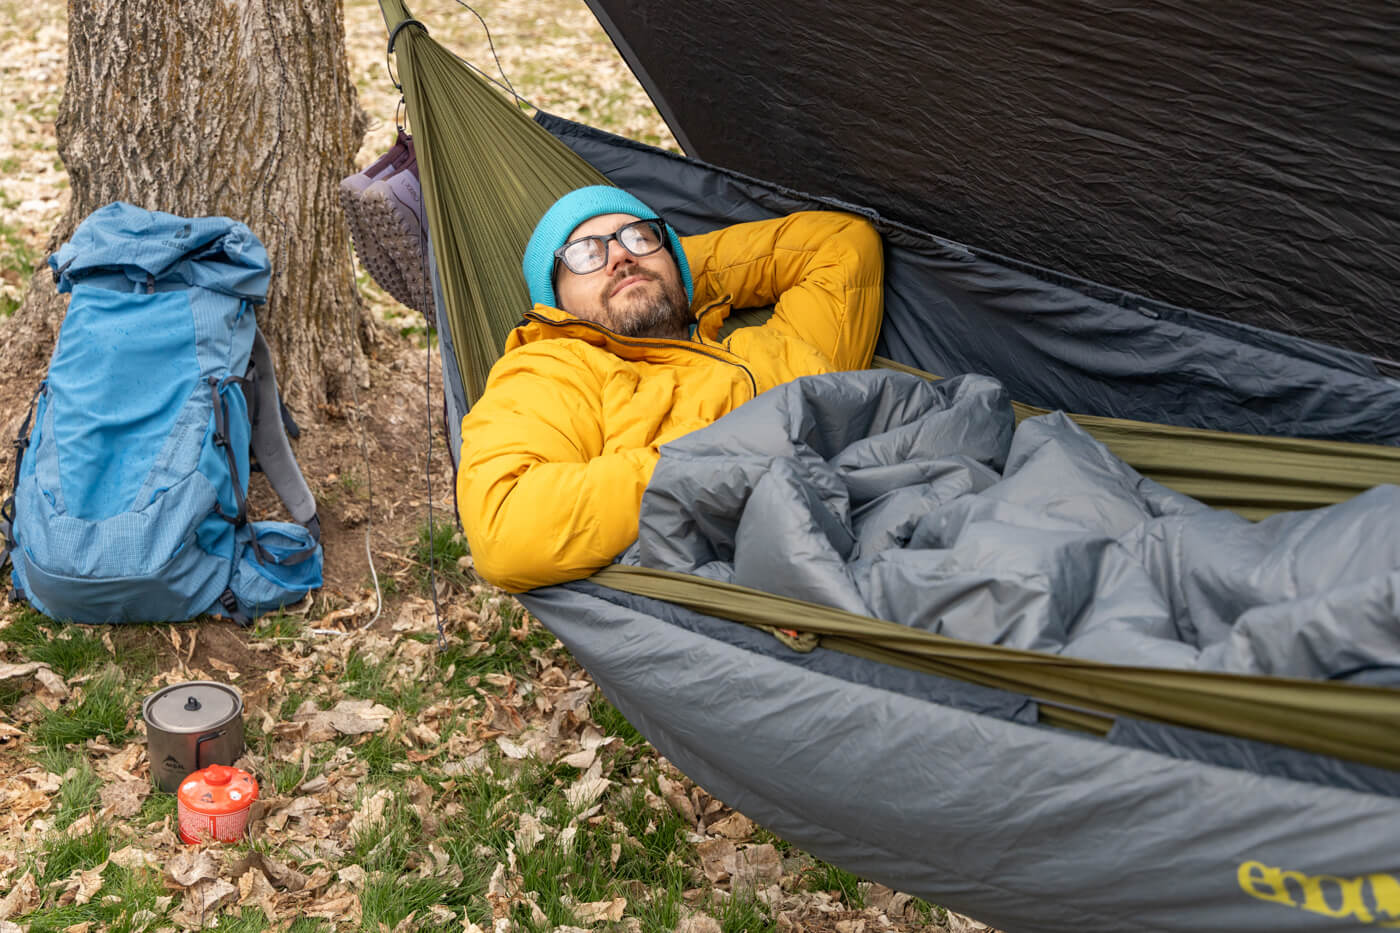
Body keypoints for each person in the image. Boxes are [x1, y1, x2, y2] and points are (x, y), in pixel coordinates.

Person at [456, 185, 884, 591]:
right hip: (777, 580)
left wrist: (671, 275)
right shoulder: (557, 367)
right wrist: (722, 455)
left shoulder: (766, 346)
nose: (619, 255)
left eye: (639, 236)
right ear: (555, 304)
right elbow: (506, 528)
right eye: (586, 253)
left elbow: (842, 243)